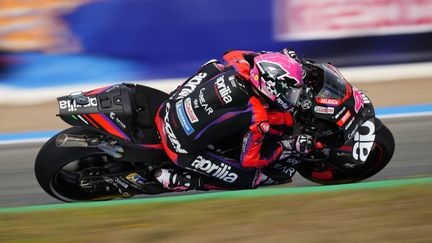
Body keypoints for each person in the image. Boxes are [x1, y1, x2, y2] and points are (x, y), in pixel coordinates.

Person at [149, 49, 314, 191]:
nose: (292, 98)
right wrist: (288, 146)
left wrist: (277, 59)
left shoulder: (239, 65)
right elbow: (250, 160)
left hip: (166, 109)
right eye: (290, 93)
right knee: (250, 178)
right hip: (179, 149)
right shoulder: (258, 117)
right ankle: (184, 182)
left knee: (214, 66)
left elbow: (232, 53)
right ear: (271, 86)